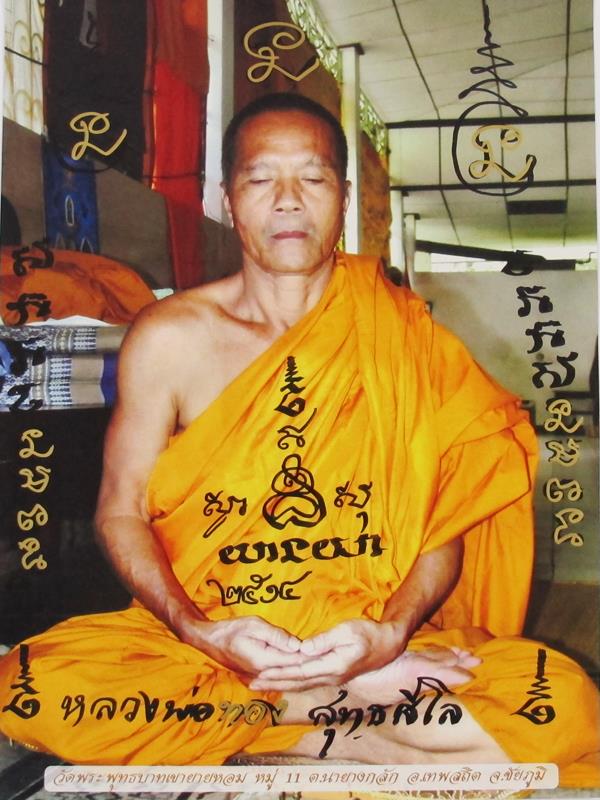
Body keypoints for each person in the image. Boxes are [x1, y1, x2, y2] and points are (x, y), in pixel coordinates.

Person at [0, 93, 598, 784]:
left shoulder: (401, 334)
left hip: (363, 638)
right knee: (31, 688)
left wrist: (389, 635)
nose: (288, 200)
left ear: (342, 197)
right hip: (211, 640)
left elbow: (442, 529)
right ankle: (320, 724)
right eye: (261, 179)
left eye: (312, 178)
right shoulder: (170, 339)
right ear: (230, 200)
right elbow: (120, 511)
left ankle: (259, 742)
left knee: (564, 703)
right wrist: (197, 629)